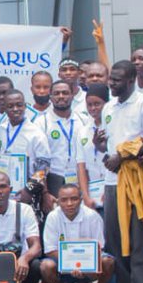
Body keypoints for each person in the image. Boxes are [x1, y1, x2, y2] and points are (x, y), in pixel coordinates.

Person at [99, 60, 143, 283]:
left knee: (139, 238)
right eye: (111, 78)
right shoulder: (108, 107)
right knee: (115, 238)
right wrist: (102, 148)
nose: (111, 83)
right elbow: (109, 144)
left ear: (131, 80)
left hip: (135, 180)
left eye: (117, 80)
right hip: (112, 182)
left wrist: (121, 156)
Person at [39, 183, 113, 283]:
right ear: (58, 201)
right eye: (64, 200)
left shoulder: (92, 216)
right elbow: (50, 250)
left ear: (81, 199)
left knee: (108, 262)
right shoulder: (53, 217)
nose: (69, 203)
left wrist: (83, 265)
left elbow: (99, 247)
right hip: (63, 264)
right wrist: (72, 263)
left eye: (74, 199)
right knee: (45, 266)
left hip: (90, 263)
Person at [37, 79, 94, 208]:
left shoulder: (84, 121)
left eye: (65, 93)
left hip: (81, 180)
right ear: (50, 97)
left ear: (72, 95)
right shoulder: (41, 123)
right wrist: (45, 193)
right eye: (56, 93)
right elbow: (38, 162)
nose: (61, 96)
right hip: (53, 181)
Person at [0, 90, 51, 193]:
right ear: (4, 108)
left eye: (19, 105)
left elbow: (44, 168)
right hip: (1, 191)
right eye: (10, 106)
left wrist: (28, 189)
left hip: (27, 193)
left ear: (25, 106)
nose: (15, 109)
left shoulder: (36, 133)